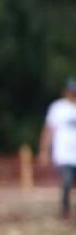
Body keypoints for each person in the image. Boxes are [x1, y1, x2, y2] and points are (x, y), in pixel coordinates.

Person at [40, 78, 76, 219]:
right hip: (64, 154)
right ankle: (65, 211)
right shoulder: (58, 108)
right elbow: (49, 130)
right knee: (66, 181)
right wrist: (44, 150)